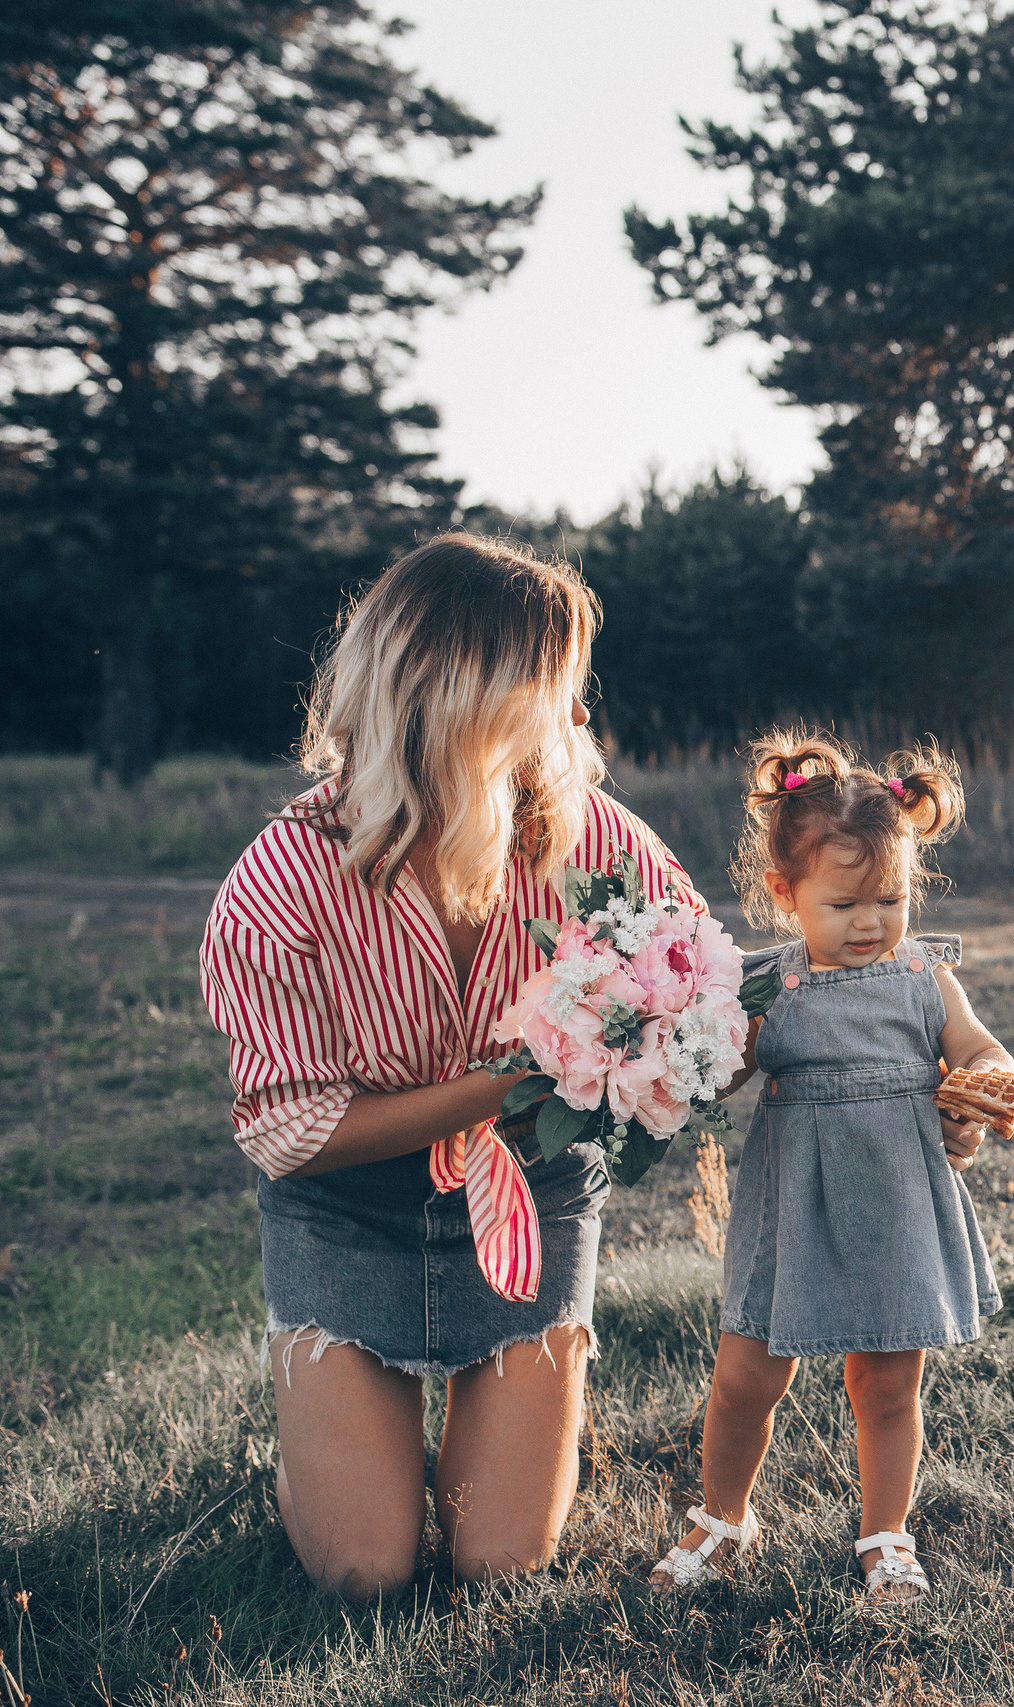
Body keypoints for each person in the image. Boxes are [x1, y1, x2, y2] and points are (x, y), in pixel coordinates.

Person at [200, 534, 703, 1595]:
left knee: (499, 1560)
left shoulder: (593, 839)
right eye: (559, 691)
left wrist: (885, 1060)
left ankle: (508, 1412)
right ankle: (323, 1447)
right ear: (479, 699)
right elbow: (289, 1135)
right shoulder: (282, 879)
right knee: (362, 1571)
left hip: (534, 1189)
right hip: (345, 1206)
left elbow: (696, 983)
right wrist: (511, 1076)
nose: (578, 719)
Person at [648, 732, 1009, 1603]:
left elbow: (980, 1048)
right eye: (846, 902)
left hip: (893, 1204)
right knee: (744, 1379)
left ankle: (886, 1535)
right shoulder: (770, 985)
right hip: (792, 1210)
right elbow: (716, 1071)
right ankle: (723, 1516)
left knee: (886, 1382)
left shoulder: (927, 977)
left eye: (890, 897)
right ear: (785, 893)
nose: (871, 922)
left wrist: (982, 1085)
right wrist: (675, 1050)